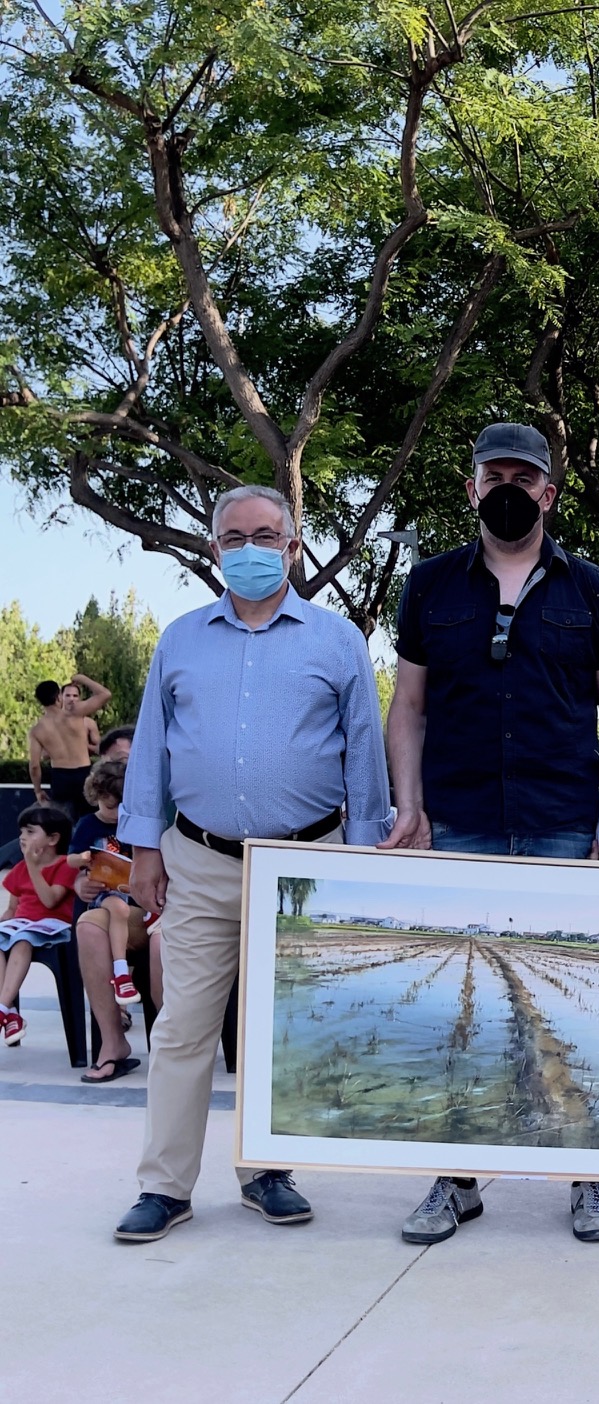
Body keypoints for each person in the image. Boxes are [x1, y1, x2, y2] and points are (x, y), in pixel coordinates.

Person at [112, 485, 391, 1244]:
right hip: (198, 862)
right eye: (233, 537)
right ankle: (164, 1188)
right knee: (182, 1030)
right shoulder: (180, 639)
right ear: (213, 551)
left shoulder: (336, 641)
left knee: (282, 1034)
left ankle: (265, 1173)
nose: (250, 550)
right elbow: (152, 751)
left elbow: (365, 753)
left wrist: (362, 856)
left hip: (304, 865)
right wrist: (142, 848)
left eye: (266, 536)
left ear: (292, 547)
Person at [381, 421, 599, 1247]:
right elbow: (408, 707)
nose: (509, 489)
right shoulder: (429, 586)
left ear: (548, 494)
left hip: (564, 823)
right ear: (471, 487)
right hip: (458, 823)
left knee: (565, 1002)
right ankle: (453, 1182)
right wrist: (407, 806)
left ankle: (589, 1178)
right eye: (495, 475)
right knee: (464, 1008)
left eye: (524, 479)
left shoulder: (590, 589)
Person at [71, 758, 159, 1083]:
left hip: (153, 910)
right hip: (112, 905)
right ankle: (113, 1043)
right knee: (89, 926)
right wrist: (81, 883)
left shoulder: (154, 817)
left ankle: (170, 1050)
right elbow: (75, 867)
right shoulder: (90, 824)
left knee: (125, 919)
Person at [0, 806, 78, 1047]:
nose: (23, 837)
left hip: (53, 928)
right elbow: (13, 908)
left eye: (31, 831)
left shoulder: (65, 865)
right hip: (21, 926)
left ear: (53, 839)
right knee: (7, 939)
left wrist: (33, 867)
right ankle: (9, 1012)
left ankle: (3, 1008)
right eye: (22, 831)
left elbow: (50, 900)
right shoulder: (20, 869)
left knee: (22, 941)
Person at [28, 674, 112, 815]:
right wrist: (82, 679)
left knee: (63, 822)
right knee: (92, 817)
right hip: (84, 773)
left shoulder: (37, 730)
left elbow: (35, 766)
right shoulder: (74, 713)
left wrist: (38, 790)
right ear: (59, 697)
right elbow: (105, 694)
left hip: (60, 777)